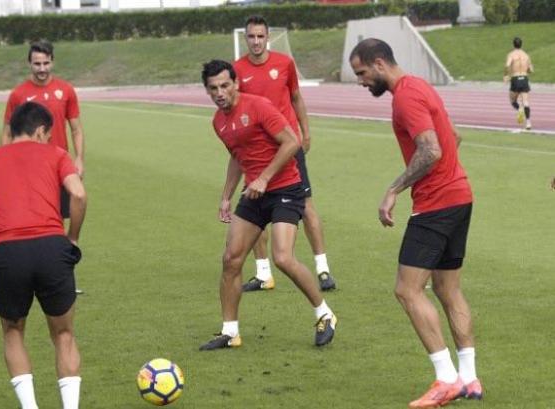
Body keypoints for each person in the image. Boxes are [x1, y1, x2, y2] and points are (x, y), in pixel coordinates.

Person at [349, 39, 481, 408]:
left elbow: (432, 149)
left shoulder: (405, 97)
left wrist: (394, 189)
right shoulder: (420, 85)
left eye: (361, 73)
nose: (360, 81)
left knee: (407, 290)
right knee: (447, 289)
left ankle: (446, 379)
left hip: (437, 204)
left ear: (379, 63)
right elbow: (453, 138)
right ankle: (469, 378)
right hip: (460, 197)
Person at [0, 102, 87, 409]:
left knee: (13, 331)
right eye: (48, 134)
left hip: (8, 252)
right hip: (52, 247)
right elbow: (78, 193)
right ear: (41, 131)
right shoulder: (57, 154)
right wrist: (73, 237)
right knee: (64, 333)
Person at [198, 59, 337, 351]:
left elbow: (290, 143)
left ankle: (324, 314)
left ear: (235, 83)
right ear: (207, 91)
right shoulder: (218, 122)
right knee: (231, 260)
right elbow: (237, 157)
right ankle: (230, 332)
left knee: (283, 258)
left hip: (285, 187)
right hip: (255, 193)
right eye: (213, 88)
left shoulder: (258, 106)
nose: (220, 92)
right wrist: (226, 196)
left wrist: (263, 178)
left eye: (225, 85)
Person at [233, 15, 337, 292]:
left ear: (268, 37)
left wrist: (306, 131)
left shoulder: (284, 64)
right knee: (253, 208)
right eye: (251, 37)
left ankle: (323, 269)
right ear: (246, 38)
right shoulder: (237, 70)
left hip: (287, 146)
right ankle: (264, 273)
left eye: (260, 36)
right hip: (256, 152)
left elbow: (296, 99)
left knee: (307, 207)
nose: (256, 41)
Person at [1, 40, 85, 218]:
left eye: (46, 63)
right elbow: (7, 133)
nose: (42, 69)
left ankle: (63, 244)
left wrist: (78, 159)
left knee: (60, 215)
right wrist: (6, 163)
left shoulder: (66, 90)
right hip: (28, 165)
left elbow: (76, 130)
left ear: (52, 62)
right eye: (37, 64)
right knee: (32, 214)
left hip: (58, 163)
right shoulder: (18, 94)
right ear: (29, 64)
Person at [504, 37, 534, 130]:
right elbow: (531, 70)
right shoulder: (526, 55)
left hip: (515, 78)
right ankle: (528, 123)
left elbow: (507, 65)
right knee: (526, 101)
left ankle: (519, 109)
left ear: (513, 44)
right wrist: (525, 71)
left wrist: (506, 75)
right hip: (524, 78)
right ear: (521, 44)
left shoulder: (511, 55)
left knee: (513, 100)